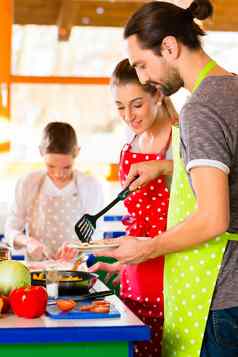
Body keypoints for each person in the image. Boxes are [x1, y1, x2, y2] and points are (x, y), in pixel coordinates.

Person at [96, 1, 238, 357]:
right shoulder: (233, 90)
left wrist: (145, 247)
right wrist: (165, 168)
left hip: (221, 298)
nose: (143, 79)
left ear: (170, 47)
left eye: (143, 64)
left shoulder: (201, 109)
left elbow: (213, 218)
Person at [90, 58, 177, 357]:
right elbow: (138, 223)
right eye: (120, 107)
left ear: (158, 94)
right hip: (134, 281)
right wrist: (122, 263)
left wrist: (166, 167)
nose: (128, 116)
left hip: (173, 281)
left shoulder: (182, 139)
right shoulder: (130, 146)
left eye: (136, 104)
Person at [5, 122, 104, 262]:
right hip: (36, 271)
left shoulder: (90, 185)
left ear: (77, 152)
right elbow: (11, 230)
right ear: (41, 152)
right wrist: (28, 242)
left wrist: (78, 247)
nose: (58, 174)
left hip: (75, 273)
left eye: (66, 167)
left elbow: (97, 235)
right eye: (50, 166)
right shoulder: (28, 183)